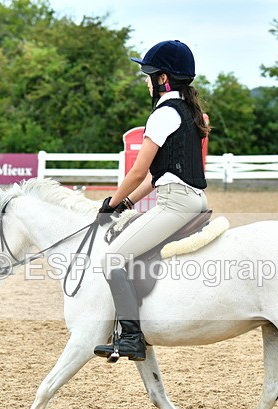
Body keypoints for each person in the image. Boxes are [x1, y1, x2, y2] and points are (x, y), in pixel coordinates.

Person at [93, 40, 210, 362]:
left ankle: (131, 337)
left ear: (163, 79)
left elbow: (136, 172)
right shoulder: (190, 110)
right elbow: (155, 178)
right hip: (193, 199)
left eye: (149, 75)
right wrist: (125, 204)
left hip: (176, 204)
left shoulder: (163, 114)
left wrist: (110, 203)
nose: (146, 80)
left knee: (112, 259)